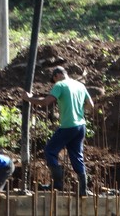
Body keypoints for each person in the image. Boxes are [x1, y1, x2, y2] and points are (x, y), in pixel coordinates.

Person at [21, 65, 93, 196]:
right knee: (77, 156)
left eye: (54, 80)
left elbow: (46, 102)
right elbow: (90, 106)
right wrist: (77, 108)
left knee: (50, 150)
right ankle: (83, 189)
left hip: (68, 126)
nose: (54, 83)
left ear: (57, 76)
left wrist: (29, 98)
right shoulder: (80, 85)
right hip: (80, 126)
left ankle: (58, 184)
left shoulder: (60, 85)